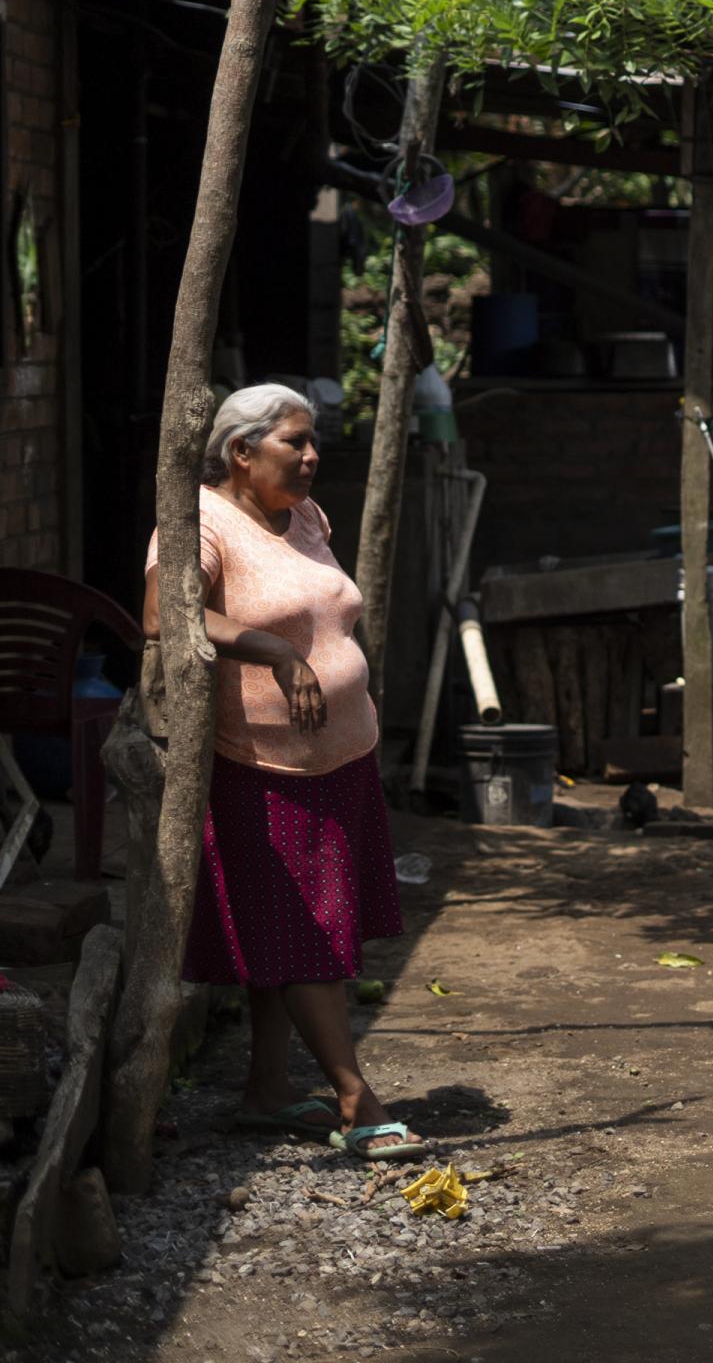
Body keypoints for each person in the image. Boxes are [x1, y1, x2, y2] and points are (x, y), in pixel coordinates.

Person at [143, 384, 422, 1160]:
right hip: (263, 766)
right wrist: (273, 650)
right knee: (300, 933)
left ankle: (267, 1092)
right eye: (293, 443)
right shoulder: (199, 524)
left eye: (311, 442)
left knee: (290, 934)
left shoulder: (303, 515)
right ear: (240, 451)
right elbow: (167, 615)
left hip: (340, 755)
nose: (311, 456)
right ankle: (356, 1097)